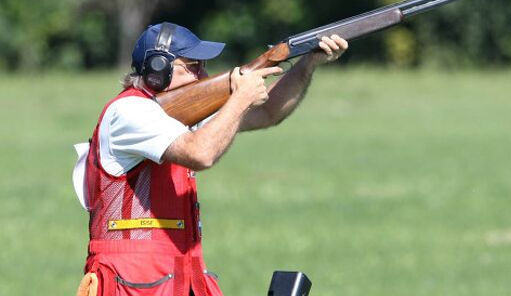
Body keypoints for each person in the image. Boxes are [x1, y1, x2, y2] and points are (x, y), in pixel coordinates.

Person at [73, 22, 348, 296]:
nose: (203, 75)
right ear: (158, 69)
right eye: (193, 66)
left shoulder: (174, 115)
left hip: (179, 279)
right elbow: (200, 154)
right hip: (132, 283)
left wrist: (307, 63)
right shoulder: (129, 112)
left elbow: (269, 113)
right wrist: (240, 99)